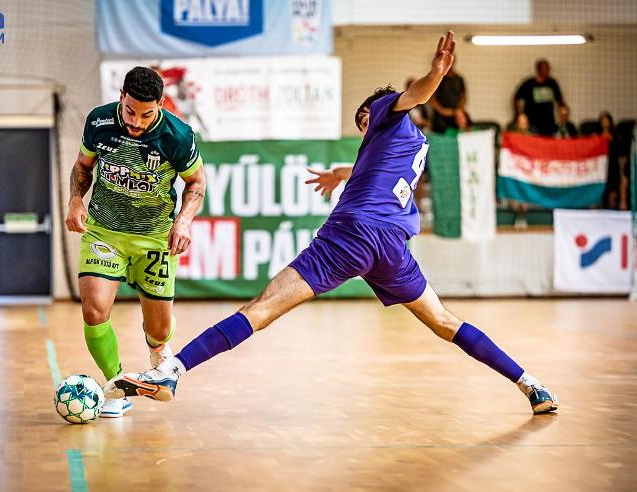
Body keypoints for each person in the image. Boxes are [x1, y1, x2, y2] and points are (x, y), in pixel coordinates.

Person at [105, 32, 558, 415]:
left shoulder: (388, 112)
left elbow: (416, 94)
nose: (363, 126)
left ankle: (171, 371)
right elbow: (366, 167)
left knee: (261, 308)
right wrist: (340, 174)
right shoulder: (412, 145)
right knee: (444, 321)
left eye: (364, 119)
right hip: (393, 248)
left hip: (353, 233)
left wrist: (436, 73)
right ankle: (531, 384)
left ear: (378, 110)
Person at [65, 66, 206, 418]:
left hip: (155, 237)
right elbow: (83, 167)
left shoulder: (178, 135)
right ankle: (116, 387)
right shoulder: (99, 121)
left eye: (146, 114)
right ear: (121, 97)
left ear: (160, 104)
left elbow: (196, 183)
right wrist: (75, 200)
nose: (136, 122)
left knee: (159, 329)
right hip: (104, 232)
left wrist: (183, 221)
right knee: (94, 310)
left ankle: (157, 349)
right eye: (130, 111)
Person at [514, 59, 564, 136]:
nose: (547, 71)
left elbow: (559, 99)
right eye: (545, 68)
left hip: (548, 122)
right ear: (538, 69)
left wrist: (562, 112)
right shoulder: (529, 84)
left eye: (548, 68)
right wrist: (519, 114)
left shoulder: (552, 83)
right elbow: (516, 99)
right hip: (532, 122)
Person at [429, 61, 466, 133]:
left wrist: (458, 111)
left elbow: (463, 97)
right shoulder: (438, 78)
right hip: (440, 118)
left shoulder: (459, 79)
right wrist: (442, 111)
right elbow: (431, 99)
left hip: (455, 117)